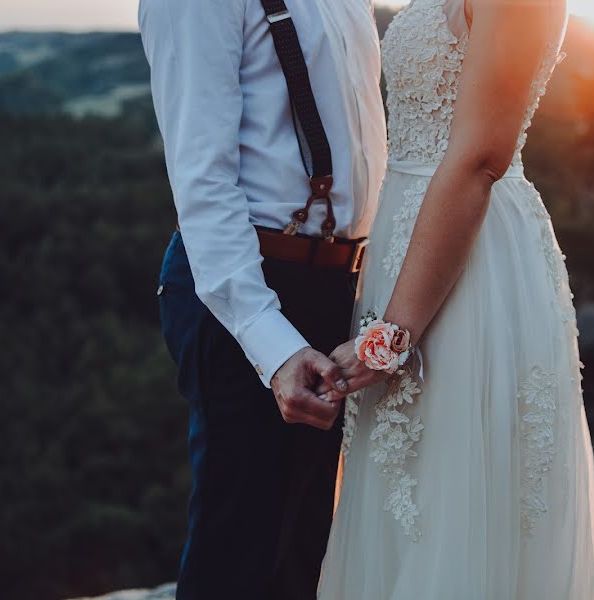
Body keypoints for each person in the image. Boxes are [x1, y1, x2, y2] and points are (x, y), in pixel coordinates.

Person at [316, 0, 594, 597]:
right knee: (401, 498)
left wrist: (393, 332)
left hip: (469, 258)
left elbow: (479, 158)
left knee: (453, 499)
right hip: (406, 246)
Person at [137, 0, 386, 598]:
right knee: (241, 550)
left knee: (312, 552)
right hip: (247, 286)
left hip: (341, 284)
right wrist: (270, 343)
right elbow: (203, 180)